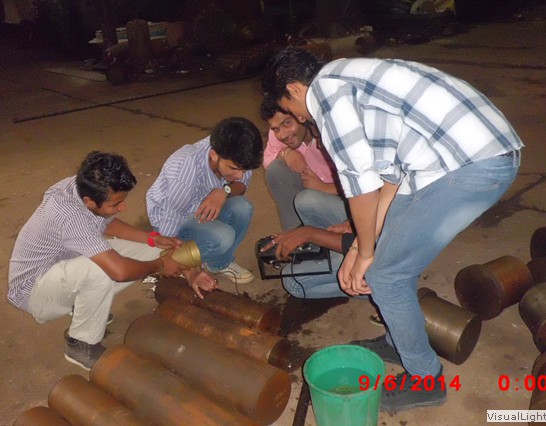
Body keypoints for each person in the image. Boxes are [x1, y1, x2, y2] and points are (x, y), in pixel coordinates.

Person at [262, 47, 524, 412]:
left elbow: (361, 186)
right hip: (466, 154)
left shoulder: (327, 96)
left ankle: (425, 379)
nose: (298, 117)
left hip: (468, 164)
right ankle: (399, 340)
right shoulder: (347, 77)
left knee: (386, 277)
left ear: (294, 88)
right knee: (390, 262)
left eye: (290, 109)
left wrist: (366, 253)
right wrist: (361, 247)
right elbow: (390, 180)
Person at [8, 151, 217, 371]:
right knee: (101, 271)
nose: (123, 208)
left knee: (154, 251)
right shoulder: (70, 216)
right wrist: (162, 266)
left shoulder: (80, 187)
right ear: (89, 202)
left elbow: (105, 222)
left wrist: (153, 239)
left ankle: (83, 303)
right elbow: (120, 272)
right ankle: (80, 343)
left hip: (64, 267)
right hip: (34, 291)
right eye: (116, 204)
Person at [147, 117, 263, 284]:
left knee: (243, 207)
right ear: (214, 155)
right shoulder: (184, 170)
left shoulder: (236, 154)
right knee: (223, 237)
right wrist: (183, 264)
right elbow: (170, 220)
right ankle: (173, 261)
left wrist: (224, 191)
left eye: (244, 170)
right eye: (234, 169)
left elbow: (242, 184)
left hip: (199, 207)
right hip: (172, 220)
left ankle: (219, 264)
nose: (239, 175)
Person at [260, 96, 348, 230]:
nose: (282, 135)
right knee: (276, 170)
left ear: (301, 116)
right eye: (276, 129)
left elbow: (365, 183)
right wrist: (285, 152)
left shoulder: (333, 130)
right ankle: (295, 233)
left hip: (350, 199)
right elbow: (266, 161)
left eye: (287, 123)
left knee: (306, 200)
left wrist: (325, 188)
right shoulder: (279, 133)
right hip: (313, 185)